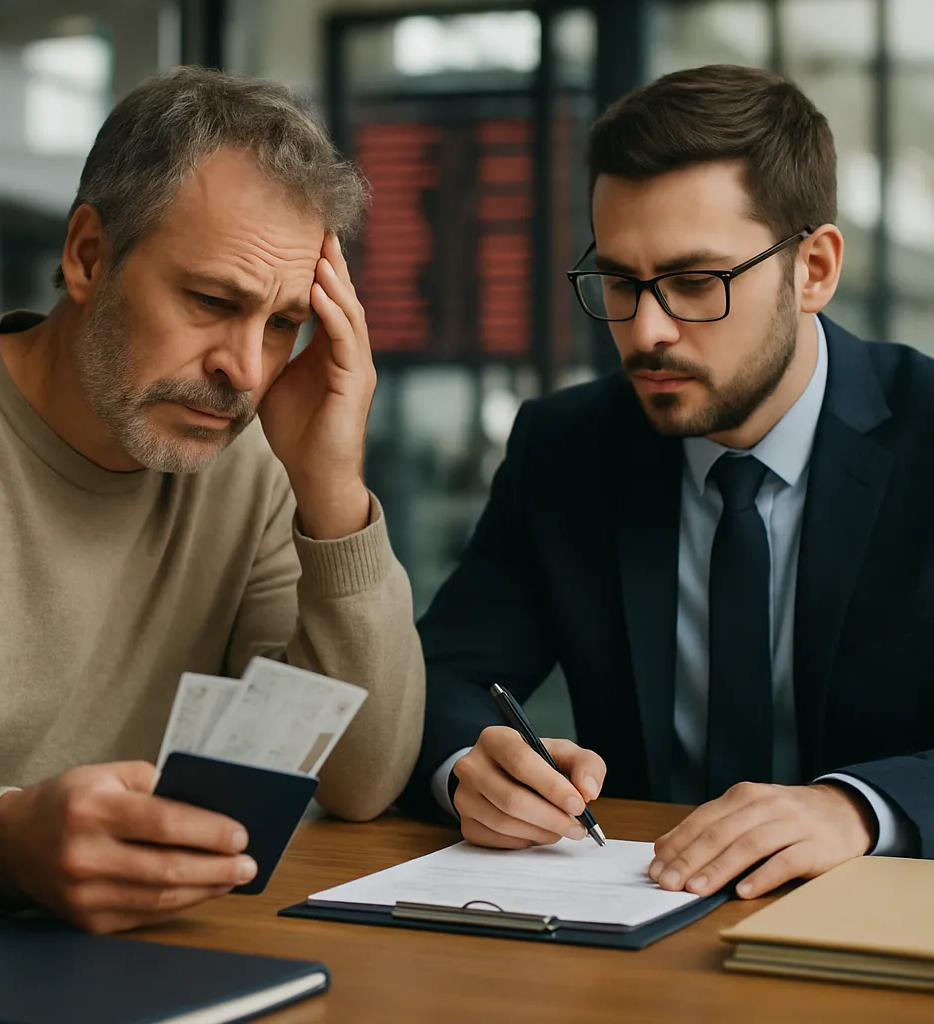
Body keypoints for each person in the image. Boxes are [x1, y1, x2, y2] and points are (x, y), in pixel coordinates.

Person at [399, 64, 934, 899]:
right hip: (637, 914)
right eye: (619, 283)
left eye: (696, 283)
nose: (646, 331)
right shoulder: (567, 446)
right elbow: (441, 676)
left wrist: (858, 809)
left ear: (815, 270)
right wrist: (470, 765)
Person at [0, 67, 424, 934]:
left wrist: (332, 490)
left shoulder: (252, 465)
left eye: (282, 323)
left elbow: (359, 781)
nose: (248, 371)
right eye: (212, 301)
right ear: (87, 256)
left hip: (151, 962)